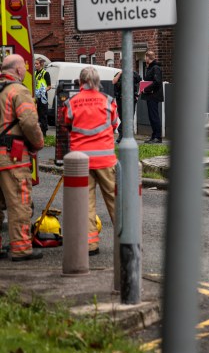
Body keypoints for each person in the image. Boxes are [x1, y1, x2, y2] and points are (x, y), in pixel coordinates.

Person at [60, 67, 119, 255]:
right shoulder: (108, 101)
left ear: (79, 82)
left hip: (81, 161)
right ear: (98, 81)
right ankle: (126, 239)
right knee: (115, 199)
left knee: (86, 202)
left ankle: (90, 244)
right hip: (105, 159)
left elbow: (67, 124)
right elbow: (114, 123)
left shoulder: (71, 102)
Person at [0, 55, 45, 261]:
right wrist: (37, 144)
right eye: (24, 68)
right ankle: (20, 248)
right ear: (18, 71)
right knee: (19, 202)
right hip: (12, 158)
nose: (26, 71)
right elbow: (28, 122)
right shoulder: (18, 91)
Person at [112, 69, 142, 142]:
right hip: (121, 99)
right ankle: (123, 135)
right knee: (122, 117)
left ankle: (122, 135)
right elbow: (113, 81)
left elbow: (141, 82)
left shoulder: (134, 74)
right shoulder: (119, 74)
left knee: (130, 117)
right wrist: (119, 74)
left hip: (131, 99)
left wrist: (138, 93)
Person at [142, 50, 164, 144]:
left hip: (153, 95)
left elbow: (157, 82)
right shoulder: (150, 68)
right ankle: (154, 135)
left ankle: (157, 137)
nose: (145, 59)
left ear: (148, 57)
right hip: (150, 95)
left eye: (145, 57)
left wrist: (146, 89)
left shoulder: (155, 68)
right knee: (152, 116)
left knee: (154, 116)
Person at [33, 56, 51, 135]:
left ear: (41, 64)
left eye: (37, 64)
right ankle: (38, 132)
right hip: (36, 97)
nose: (35, 65)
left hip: (43, 97)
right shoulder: (34, 73)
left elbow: (49, 86)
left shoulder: (45, 73)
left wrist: (42, 91)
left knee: (43, 114)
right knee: (36, 114)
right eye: (35, 64)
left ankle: (44, 132)